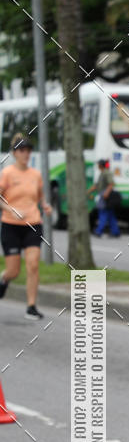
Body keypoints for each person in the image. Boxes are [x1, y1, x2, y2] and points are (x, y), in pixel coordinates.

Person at [0, 133, 52, 320]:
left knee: (32, 265)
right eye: (22, 150)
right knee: (14, 271)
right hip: (10, 226)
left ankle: (31, 306)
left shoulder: (36, 175)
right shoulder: (7, 174)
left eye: (28, 150)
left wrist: (45, 205)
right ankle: (4, 279)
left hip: (33, 224)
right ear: (15, 153)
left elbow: (40, 196)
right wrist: (10, 209)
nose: (26, 154)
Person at [89, 159, 120, 237]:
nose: (98, 166)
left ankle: (99, 231)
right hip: (104, 194)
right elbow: (96, 185)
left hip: (106, 195)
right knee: (110, 215)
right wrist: (88, 191)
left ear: (100, 165)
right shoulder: (102, 173)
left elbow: (111, 183)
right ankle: (115, 232)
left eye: (98, 164)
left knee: (103, 212)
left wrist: (106, 193)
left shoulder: (106, 173)